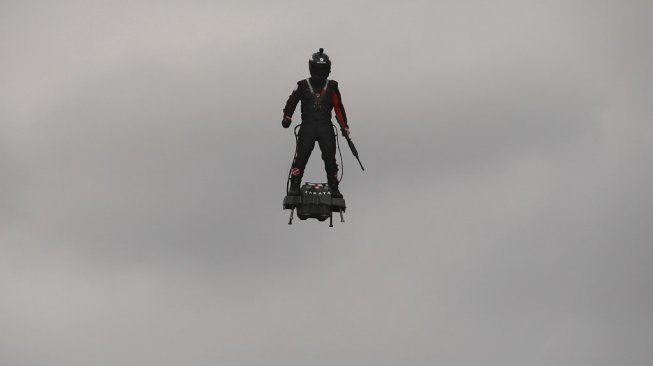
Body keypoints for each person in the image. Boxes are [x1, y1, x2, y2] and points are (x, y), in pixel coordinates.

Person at [281, 48, 351, 198]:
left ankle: (334, 186)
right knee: (301, 156)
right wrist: (287, 116)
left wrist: (344, 126)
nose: (320, 73)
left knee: (330, 158)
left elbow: (338, 107)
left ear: (328, 70)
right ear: (312, 68)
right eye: (317, 69)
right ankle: (294, 183)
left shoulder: (332, 86)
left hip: (325, 126)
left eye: (323, 70)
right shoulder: (302, 85)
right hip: (308, 126)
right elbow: (292, 101)